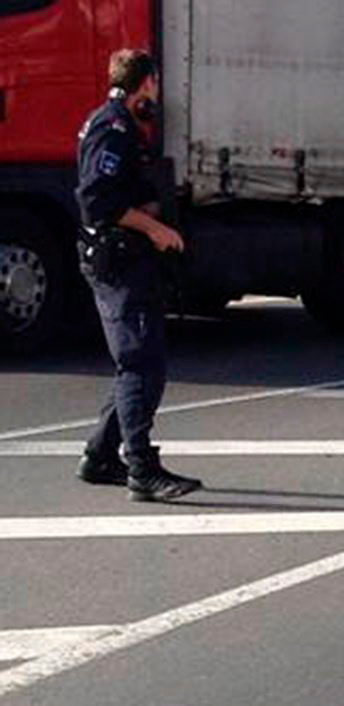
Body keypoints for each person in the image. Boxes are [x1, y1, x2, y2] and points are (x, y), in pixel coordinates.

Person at [74, 49, 201, 502]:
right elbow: (97, 201)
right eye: (155, 83)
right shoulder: (114, 129)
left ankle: (100, 456)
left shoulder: (114, 123)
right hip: (119, 261)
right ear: (145, 83)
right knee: (142, 365)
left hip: (122, 257)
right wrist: (156, 227)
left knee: (137, 362)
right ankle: (142, 468)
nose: (157, 92)